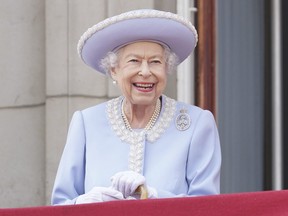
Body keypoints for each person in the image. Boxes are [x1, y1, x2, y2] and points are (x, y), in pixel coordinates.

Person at [51, 9, 221, 205]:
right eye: (134, 61)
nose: (145, 72)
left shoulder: (197, 124)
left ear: (167, 69)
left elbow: (208, 205)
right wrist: (84, 203)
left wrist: (155, 195)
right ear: (114, 70)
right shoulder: (86, 123)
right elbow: (60, 204)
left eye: (155, 62)